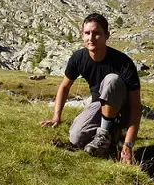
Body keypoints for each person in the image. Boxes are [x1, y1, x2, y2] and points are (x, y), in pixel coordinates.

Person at [39, 13, 141, 164]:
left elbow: (136, 107)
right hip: (99, 106)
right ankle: (111, 135)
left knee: (112, 80)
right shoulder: (78, 58)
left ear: (107, 35)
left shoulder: (124, 63)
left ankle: (106, 134)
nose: (91, 38)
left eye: (97, 33)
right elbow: (64, 86)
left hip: (123, 112)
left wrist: (129, 145)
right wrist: (56, 117)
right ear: (82, 35)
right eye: (87, 33)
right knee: (76, 137)